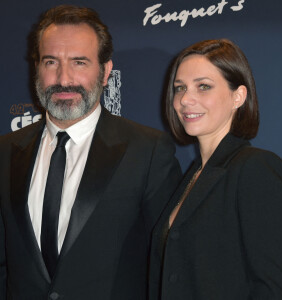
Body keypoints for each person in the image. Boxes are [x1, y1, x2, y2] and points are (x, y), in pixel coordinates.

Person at [0, 5, 182, 300]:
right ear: (37, 68)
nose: (64, 78)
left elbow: (167, 263)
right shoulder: (6, 151)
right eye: (51, 62)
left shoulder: (147, 151)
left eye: (79, 62)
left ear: (105, 71)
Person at [149, 39, 282, 299]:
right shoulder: (192, 176)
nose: (185, 99)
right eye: (180, 88)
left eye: (203, 86)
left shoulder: (256, 169)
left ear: (238, 96)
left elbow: (273, 290)